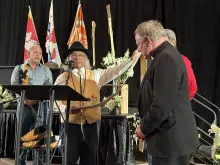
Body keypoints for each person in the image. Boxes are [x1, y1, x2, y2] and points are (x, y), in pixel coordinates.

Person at [54, 41, 140, 165]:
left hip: (91, 126)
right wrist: (67, 109)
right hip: (70, 127)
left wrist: (131, 60)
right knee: (69, 160)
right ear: (69, 58)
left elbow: (114, 71)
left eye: (81, 55)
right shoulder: (62, 78)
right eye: (74, 55)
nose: (77, 57)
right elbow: (55, 102)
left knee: (90, 160)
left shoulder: (96, 75)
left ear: (86, 59)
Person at [134, 20, 199, 165]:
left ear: (148, 41)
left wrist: (144, 128)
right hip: (169, 139)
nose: (138, 49)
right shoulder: (166, 54)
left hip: (169, 140)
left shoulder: (166, 58)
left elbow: (162, 105)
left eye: (138, 44)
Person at [11, 43, 53, 165]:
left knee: (39, 137)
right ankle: (20, 162)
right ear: (29, 54)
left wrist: (38, 99)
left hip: (41, 107)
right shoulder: (19, 68)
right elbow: (14, 86)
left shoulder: (46, 70)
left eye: (40, 53)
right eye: (35, 52)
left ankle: (38, 163)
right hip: (24, 107)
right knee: (23, 137)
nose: (38, 55)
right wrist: (23, 98)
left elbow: (49, 88)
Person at [165, 29, 198, 100]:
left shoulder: (183, 61)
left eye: (164, 44)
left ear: (173, 43)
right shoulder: (159, 60)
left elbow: (192, 87)